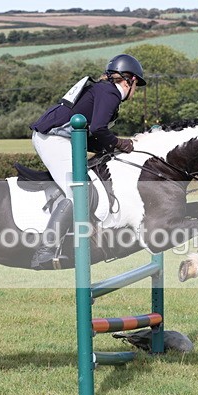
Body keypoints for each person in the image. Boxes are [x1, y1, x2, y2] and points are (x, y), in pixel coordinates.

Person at [28, 54, 146, 270]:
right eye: (137, 85)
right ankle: (45, 251)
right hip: (53, 138)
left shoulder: (104, 90)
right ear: (131, 80)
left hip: (62, 138)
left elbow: (91, 135)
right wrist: (121, 143)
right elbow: (98, 129)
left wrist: (111, 148)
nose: (135, 90)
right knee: (78, 191)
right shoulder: (110, 92)